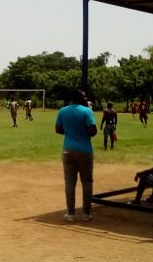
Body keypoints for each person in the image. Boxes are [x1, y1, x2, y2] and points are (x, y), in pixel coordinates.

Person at [55, 89, 98, 222]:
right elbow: (93, 130)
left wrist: (70, 133)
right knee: (87, 181)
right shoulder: (87, 111)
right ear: (78, 98)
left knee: (69, 182)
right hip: (84, 150)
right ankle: (86, 213)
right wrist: (83, 133)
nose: (86, 99)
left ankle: (71, 213)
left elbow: (58, 129)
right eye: (84, 97)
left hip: (68, 149)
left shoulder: (63, 111)